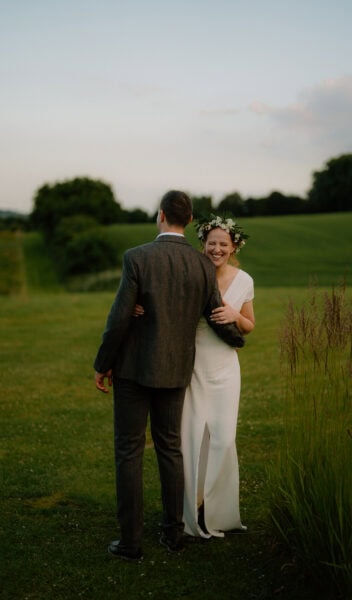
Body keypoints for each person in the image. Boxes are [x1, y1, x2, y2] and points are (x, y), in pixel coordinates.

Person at [93, 191, 244, 562]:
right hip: (177, 370)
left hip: (133, 369)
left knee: (128, 452)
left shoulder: (137, 257)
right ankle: (173, 535)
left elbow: (118, 319)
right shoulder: (201, 265)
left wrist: (102, 364)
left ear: (161, 215)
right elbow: (215, 314)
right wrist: (237, 338)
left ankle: (130, 543)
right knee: (170, 449)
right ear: (190, 221)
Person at [181, 214, 255, 538]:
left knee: (223, 439)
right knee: (193, 437)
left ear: (233, 246)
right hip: (194, 366)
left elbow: (250, 325)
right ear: (204, 244)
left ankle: (219, 512)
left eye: (223, 244)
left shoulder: (244, 280)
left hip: (226, 368)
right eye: (212, 243)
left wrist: (234, 314)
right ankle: (193, 508)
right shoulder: (192, 273)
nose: (217, 249)